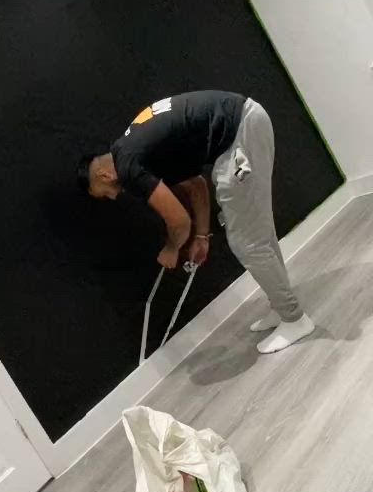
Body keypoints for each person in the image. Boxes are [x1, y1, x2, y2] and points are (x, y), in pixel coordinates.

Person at [77, 91, 314, 354]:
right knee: (258, 233)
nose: (112, 196)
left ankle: (294, 320)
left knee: (247, 242)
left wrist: (171, 248)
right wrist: (202, 237)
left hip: (238, 133)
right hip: (245, 123)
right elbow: (196, 185)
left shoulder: (128, 165)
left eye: (103, 192)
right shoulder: (136, 150)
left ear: (104, 174)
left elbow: (178, 221)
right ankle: (280, 307)